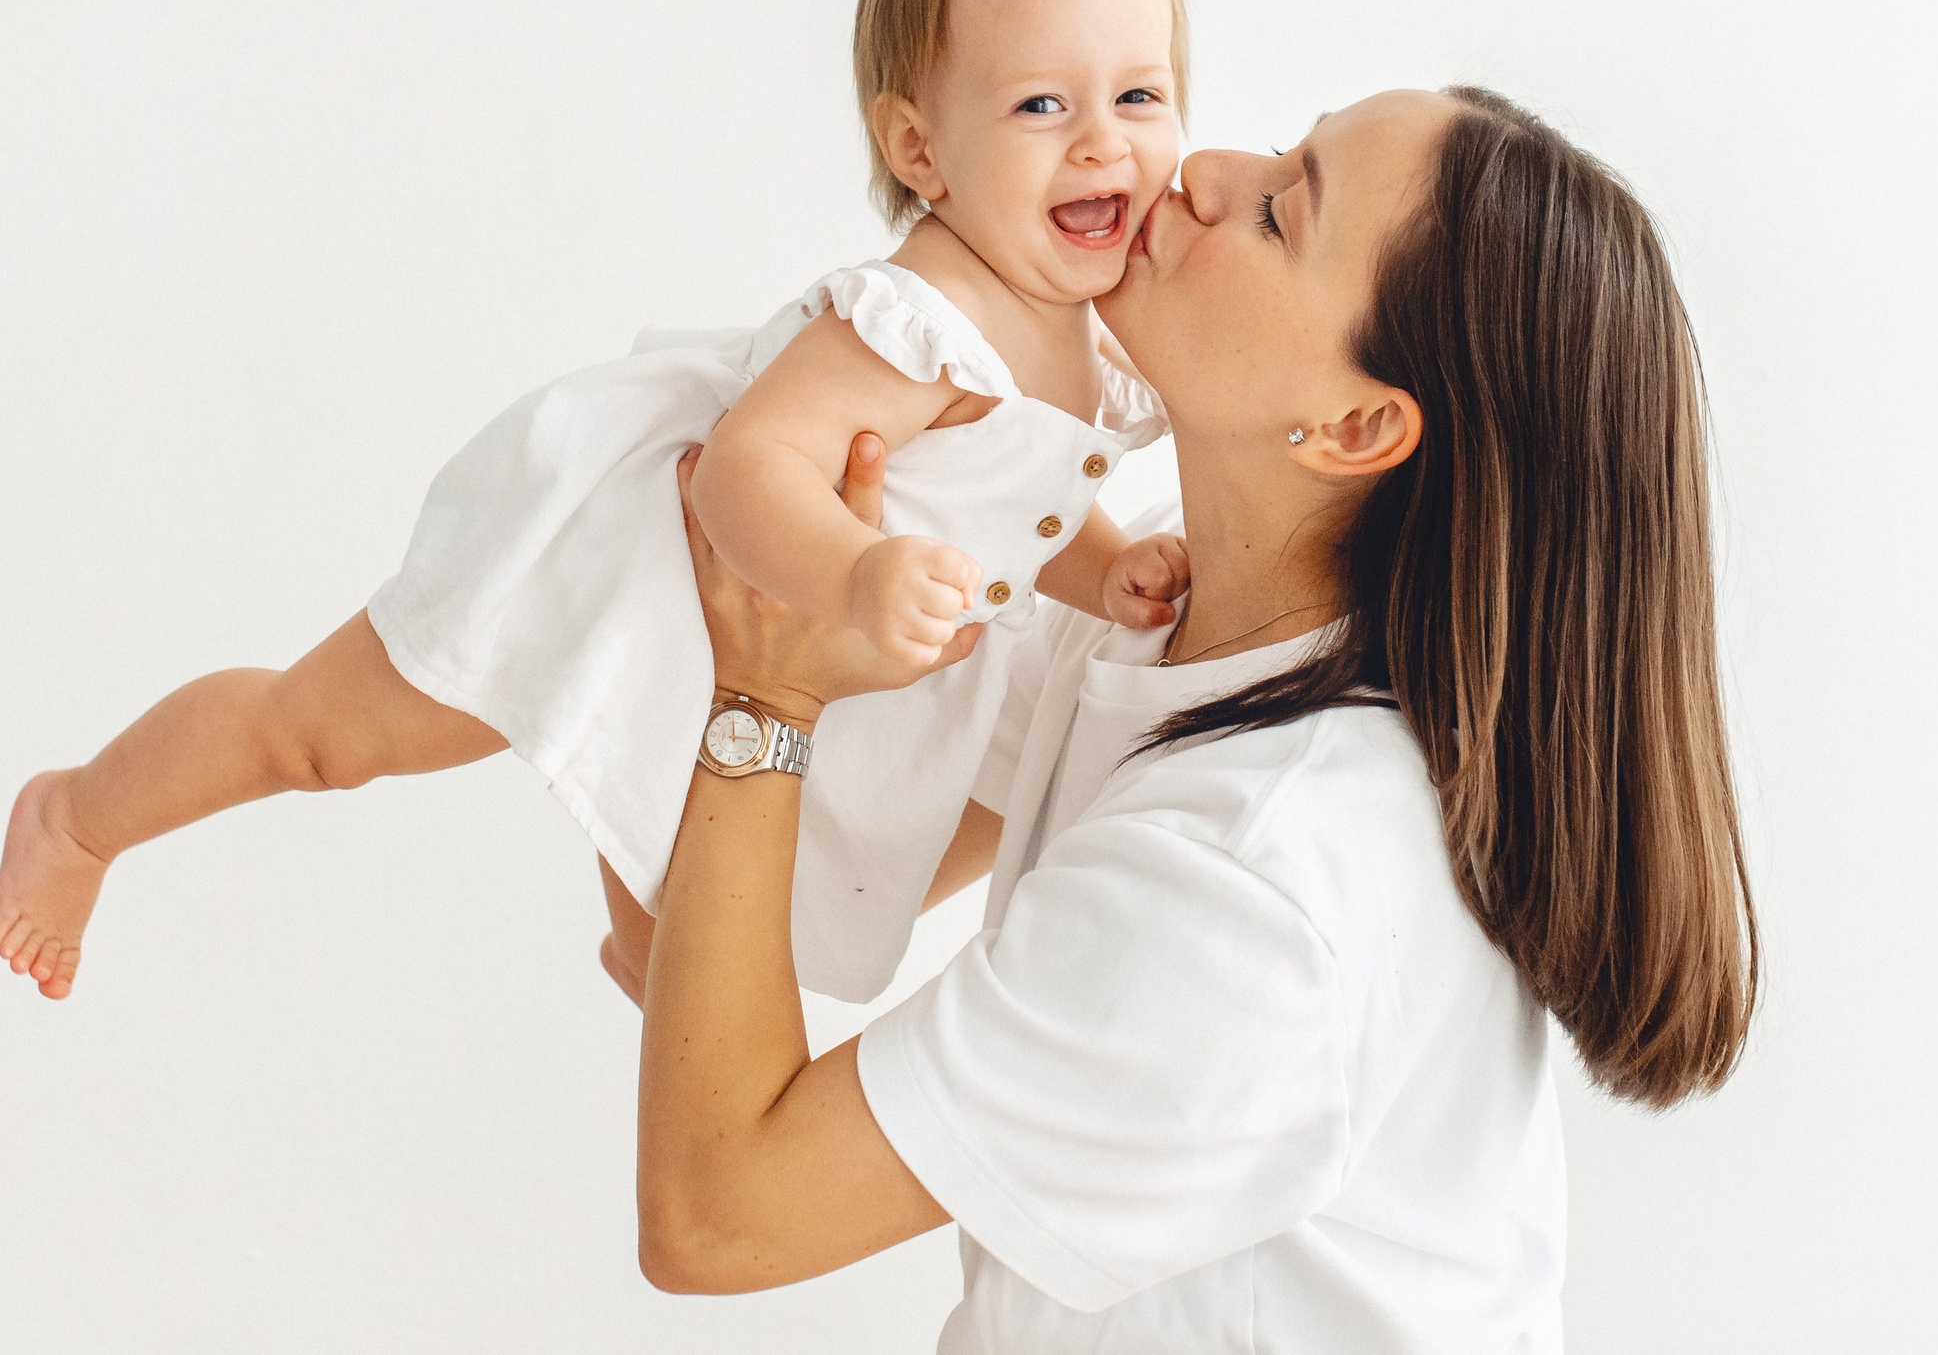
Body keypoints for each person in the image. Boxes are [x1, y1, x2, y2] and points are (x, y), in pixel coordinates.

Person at [628, 87, 1760, 1351]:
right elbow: (807, 893)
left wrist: (764, 696)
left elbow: (719, 1209)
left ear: (1356, 426)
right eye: (1282, 146)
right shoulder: (1158, 610)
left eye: (1280, 211)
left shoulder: (1256, 881)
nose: (1206, 170)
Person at [0, 0, 1193, 1002]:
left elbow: (1011, 487)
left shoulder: (1083, 319)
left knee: (725, 884)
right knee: (323, 735)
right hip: (634, 564)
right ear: (919, 148)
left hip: (773, 633)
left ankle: (642, 939)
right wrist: (856, 569)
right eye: (1042, 105)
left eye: (1138, 95)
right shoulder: (916, 317)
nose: (1103, 141)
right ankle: (78, 816)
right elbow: (746, 472)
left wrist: (1096, 564)